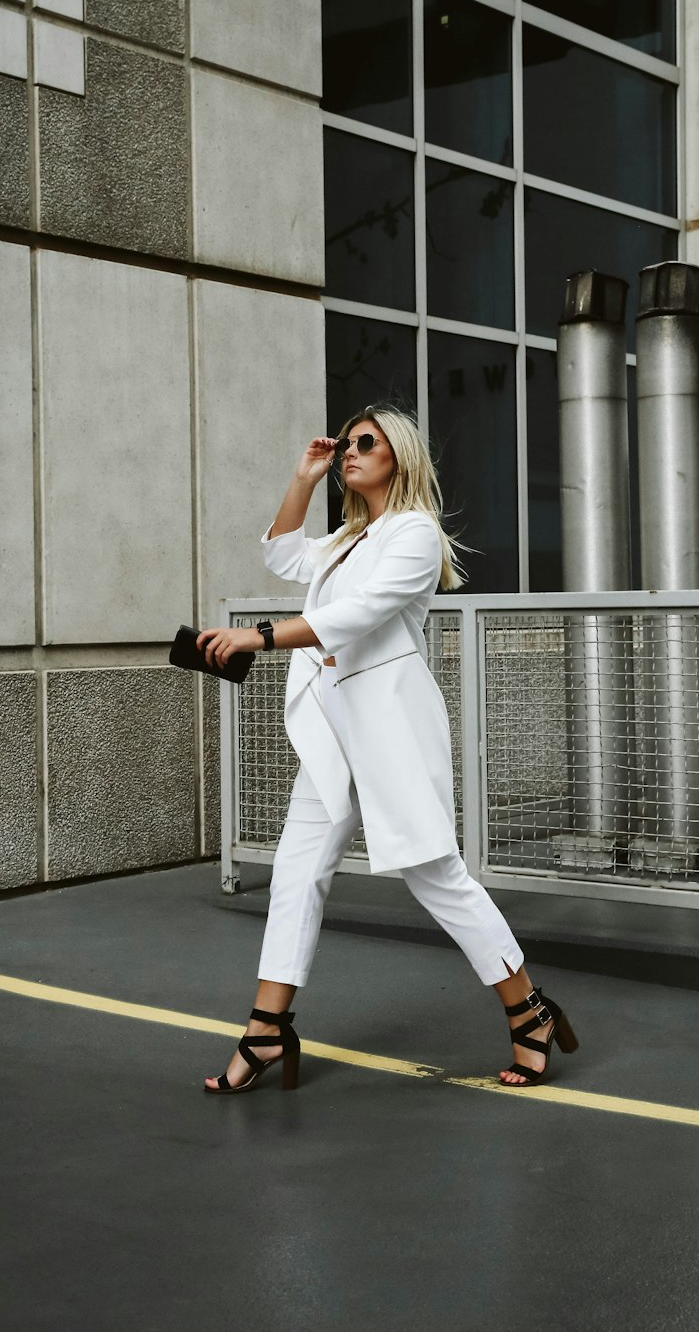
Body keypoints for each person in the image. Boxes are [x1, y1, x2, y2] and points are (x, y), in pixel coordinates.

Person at [198, 406, 578, 1094]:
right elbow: (282, 552)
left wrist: (258, 635)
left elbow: (355, 616)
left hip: (389, 734)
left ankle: (530, 1013)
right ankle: (264, 1030)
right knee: (296, 870)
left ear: (396, 455)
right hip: (332, 736)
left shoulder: (413, 534)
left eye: (363, 443)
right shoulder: (350, 536)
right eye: (345, 443)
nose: (349, 451)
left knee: (437, 877)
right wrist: (303, 477)